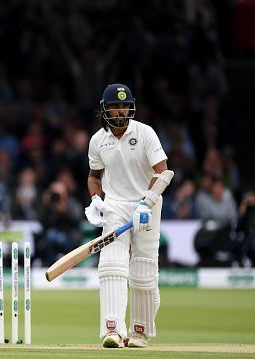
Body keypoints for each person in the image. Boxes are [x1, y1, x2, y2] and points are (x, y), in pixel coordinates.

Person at [84, 84, 170, 348]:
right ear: (104, 109)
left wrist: (148, 201)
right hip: (116, 206)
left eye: (124, 105)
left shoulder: (145, 133)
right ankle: (112, 329)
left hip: (147, 205)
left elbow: (163, 172)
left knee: (143, 271)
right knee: (111, 265)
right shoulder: (98, 140)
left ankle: (139, 332)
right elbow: (94, 176)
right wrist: (96, 200)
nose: (120, 110)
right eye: (114, 106)